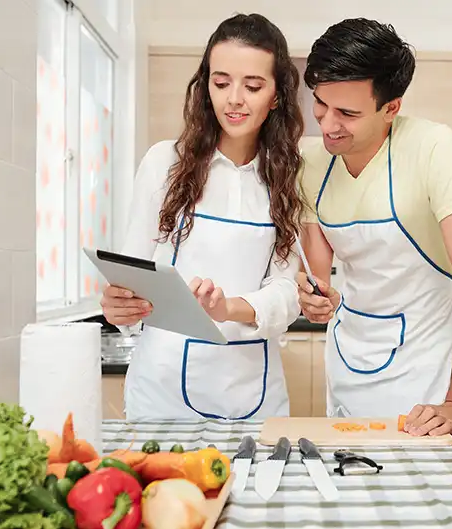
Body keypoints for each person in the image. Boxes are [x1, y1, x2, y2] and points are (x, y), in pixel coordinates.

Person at [297, 18, 452, 436]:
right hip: (349, 357)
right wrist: (311, 296)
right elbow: (317, 275)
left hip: (424, 369)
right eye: (320, 103)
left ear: (391, 108)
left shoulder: (433, 149)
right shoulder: (310, 164)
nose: (328, 124)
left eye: (348, 113)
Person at [100, 13, 304, 422]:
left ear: (277, 95)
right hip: (162, 392)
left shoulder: (290, 176)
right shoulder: (164, 162)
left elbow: (287, 293)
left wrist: (227, 307)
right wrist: (116, 305)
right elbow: (132, 271)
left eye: (253, 86)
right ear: (205, 84)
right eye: (221, 81)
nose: (234, 99)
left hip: (250, 394)